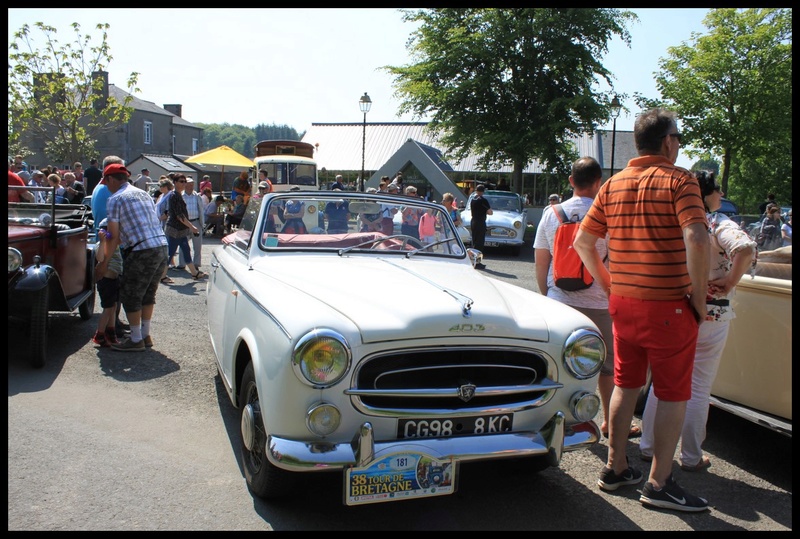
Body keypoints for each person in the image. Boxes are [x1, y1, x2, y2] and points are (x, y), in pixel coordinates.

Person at [573, 108, 710, 512]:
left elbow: (583, 243)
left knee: (624, 384)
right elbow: (698, 239)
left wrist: (610, 284)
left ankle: (615, 468)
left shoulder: (614, 184)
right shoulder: (679, 179)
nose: (679, 145)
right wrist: (699, 299)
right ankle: (659, 483)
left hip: (624, 303)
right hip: (668, 306)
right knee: (671, 394)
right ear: (668, 141)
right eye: (678, 138)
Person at [639, 170, 756, 473]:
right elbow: (744, 249)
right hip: (711, 313)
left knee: (662, 383)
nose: (721, 194)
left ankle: (648, 446)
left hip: (672, 310)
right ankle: (690, 456)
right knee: (699, 386)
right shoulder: (718, 223)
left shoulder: (674, 219)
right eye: (718, 189)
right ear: (707, 193)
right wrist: (729, 282)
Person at [534, 156, 640, 441]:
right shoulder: (609, 213)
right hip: (601, 303)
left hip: (560, 302)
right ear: (598, 182)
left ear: (571, 181)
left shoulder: (551, 213)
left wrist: (547, 296)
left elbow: (542, 261)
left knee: (557, 363)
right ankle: (608, 421)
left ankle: (552, 419)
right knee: (607, 367)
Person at [96, 163, 169, 352]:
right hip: (161, 246)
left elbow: (113, 236)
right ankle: (145, 335)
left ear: (111, 179)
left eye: (106, 183)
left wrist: (103, 263)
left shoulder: (115, 199)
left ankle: (136, 339)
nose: (106, 186)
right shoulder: (143, 193)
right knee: (147, 294)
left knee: (130, 295)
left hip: (141, 250)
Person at [164, 173, 207, 280]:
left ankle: (194, 273)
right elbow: (180, 216)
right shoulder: (174, 196)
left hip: (181, 229)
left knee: (186, 250)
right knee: (170, 253)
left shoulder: (178, 195)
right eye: (181, 181)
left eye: (185, 181)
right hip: (175, 229)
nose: (184, 183)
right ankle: (162, 276)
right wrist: (192, 227)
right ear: (175, 183)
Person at [91, 218, 124, 348]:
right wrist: (103, 240)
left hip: (114, 279)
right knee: (107, 308)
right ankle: (99, 334)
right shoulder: (102, 244)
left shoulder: (115, 244)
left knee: (113, 307)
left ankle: (111, 333)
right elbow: (99, 258)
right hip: (106, 280)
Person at [179, 177, 204, 270]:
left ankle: (196, 263)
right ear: (184, 185)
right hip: (185, 223)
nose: (190, 187)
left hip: (196, 221)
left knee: (197, 245)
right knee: (183, 244)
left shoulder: (197, 196)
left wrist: (202, 223)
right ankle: (182, 264)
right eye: (189, 185)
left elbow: (201, 209)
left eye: (192, 185)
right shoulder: (181, 196)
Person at [469, 184, 493, 270]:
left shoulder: (473, 199)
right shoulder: (483, 200)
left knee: (474, 241)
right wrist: (484, 211)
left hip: (473, 221)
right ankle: (477, 262)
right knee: (479, 243)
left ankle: (472, 261)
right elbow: (490, 212)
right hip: (480, 222)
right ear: (483, 191)